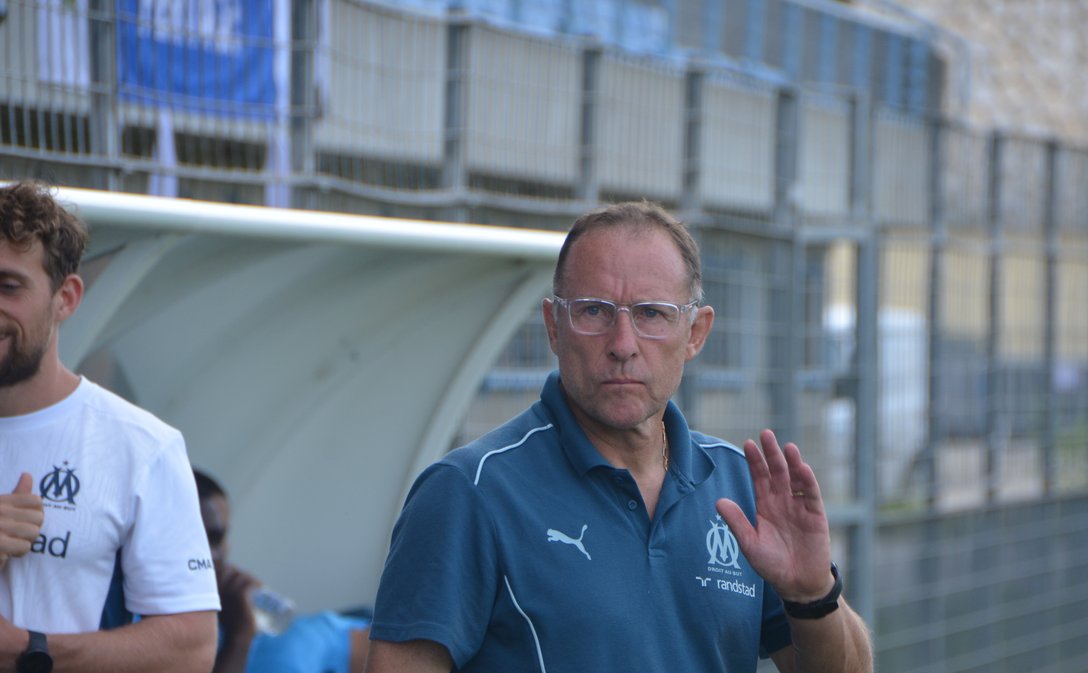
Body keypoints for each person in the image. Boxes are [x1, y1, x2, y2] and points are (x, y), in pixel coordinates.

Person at [365, 201, 873, 672]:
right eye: (593, 311)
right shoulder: (468, 493)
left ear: (695, 333)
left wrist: (812, 595)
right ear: (553, 326)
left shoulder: (741, 490)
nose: (623, 344)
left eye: (652, 314)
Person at [0, 180, 219, 672]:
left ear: (66, 298)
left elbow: (191, 651)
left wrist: (28, 650)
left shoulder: (141, 447)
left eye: (8, 286)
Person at [195, 470, 369, 673]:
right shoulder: (161, 624)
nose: (208, 554)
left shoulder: (230, 601)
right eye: (195, 539)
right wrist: (239, 638)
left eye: (217, 538)